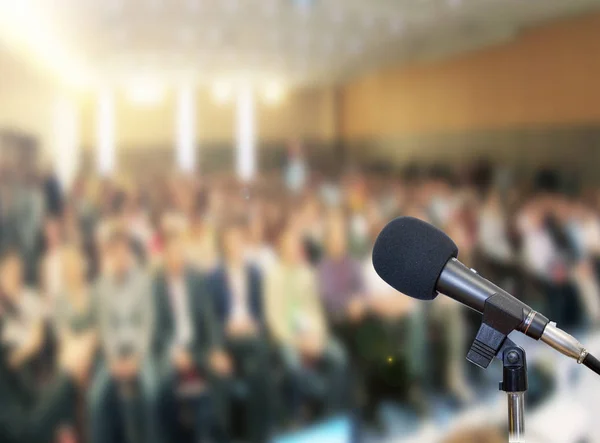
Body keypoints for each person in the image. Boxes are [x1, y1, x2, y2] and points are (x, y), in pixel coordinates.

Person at [265, 227, 346, 422]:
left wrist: (317, 336)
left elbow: (316, 311)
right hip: (287, 338)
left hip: (311, 334)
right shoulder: (273, 276)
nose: (294, 250)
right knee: (293, 365)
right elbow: (274, 319)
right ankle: (296, 417)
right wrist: (297, 342)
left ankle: (330, 413)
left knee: (338, 357)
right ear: (281, 249)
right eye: (289, 247)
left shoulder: (307, 273)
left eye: (296, 246)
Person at [152, 231, 225, 442]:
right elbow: (157, 329)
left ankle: (211, 436)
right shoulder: (156, 284)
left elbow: (209, 317)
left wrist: (216, 348)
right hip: (172, 349)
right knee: (162, 385)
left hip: (197, 346)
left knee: (218, 373)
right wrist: (174, 352)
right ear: (165, 256)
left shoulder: (196, 279)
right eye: (172, 254)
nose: (177, 259)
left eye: (180, 253)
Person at [88, 232, 160, 443]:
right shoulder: (101, 287)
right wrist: (113, 361)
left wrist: (136, 359)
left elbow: (147, 323)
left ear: (129, 254)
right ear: (109, 256)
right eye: (115, 253)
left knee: (151, 391)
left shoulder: (143, 282)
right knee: (95, 397)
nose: (121, 258)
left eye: (124, 252)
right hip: (113, 355)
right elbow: (104, 327)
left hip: (139, 351)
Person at [208, 220, 272, 442]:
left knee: (257, 371)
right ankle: (262, 430)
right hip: (229, 338)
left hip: (251, 335)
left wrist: (255, 325)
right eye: (230, 242)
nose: (234, 246)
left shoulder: (254, 273)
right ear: (224, 245)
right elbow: (212, 318)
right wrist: (226, 329)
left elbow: (262, 313)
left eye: (238, 241)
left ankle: (257, 434)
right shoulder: (214, 277)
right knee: (260, 353)